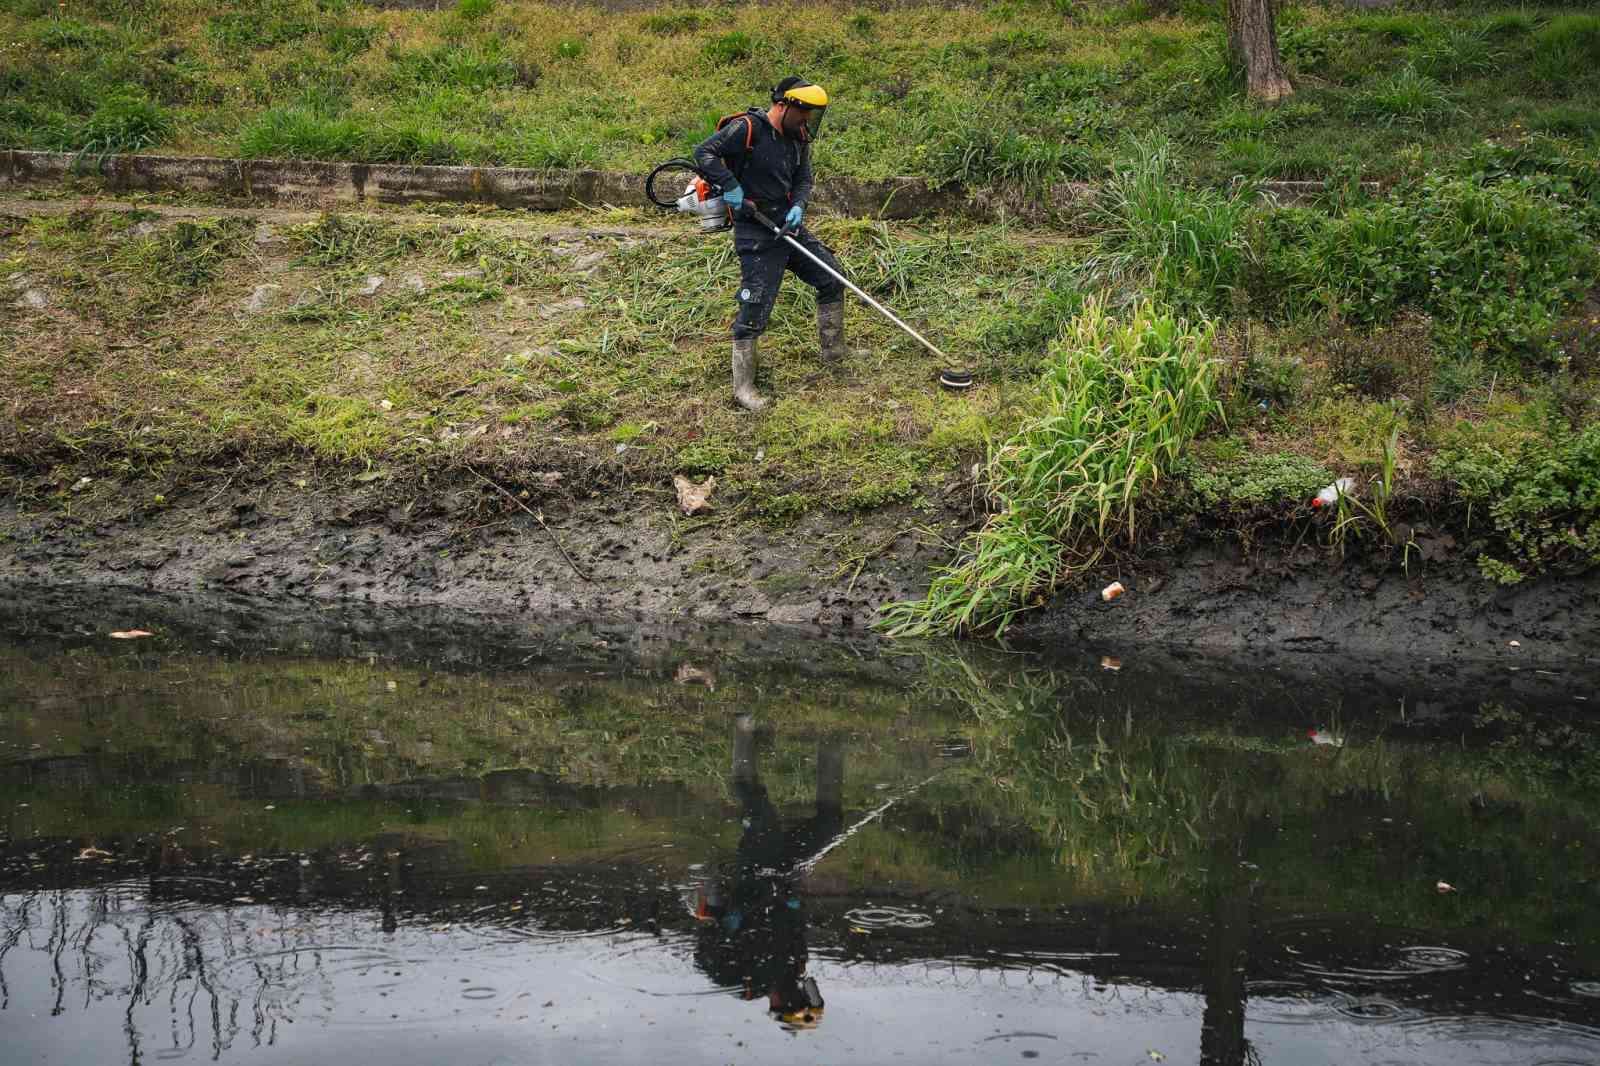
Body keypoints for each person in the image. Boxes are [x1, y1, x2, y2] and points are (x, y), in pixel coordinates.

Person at [693, 77, 847, 413]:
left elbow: (804, 178)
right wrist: (732, 187)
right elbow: (704, 152)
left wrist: (799, 206)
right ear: (785, 105)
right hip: (757, 230)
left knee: (832, 277)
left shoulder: (798, 138)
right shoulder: (747, 129)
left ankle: (834, 352)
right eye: (804, 113)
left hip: (788, 226)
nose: (808, 121)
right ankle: (743, 387)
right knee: (755, 306)